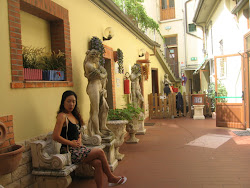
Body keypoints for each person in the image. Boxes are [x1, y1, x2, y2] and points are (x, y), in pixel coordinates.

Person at [52, 90, 127, 188]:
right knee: (100, 152)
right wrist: (71, 143)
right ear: (63, 102)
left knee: (98, 163)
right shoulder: (62, 116)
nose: (71, 104)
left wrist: (79, 140)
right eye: (68, 101)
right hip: (69, 152)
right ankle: (111, 177)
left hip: (78, 149)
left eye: (74, 101)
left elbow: (78, 131)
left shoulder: (74, 115)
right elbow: (55, 136)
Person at [83, 49, 110, 137]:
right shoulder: (89, 65)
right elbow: (101, 75)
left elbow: (103, 73)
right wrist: (104, 73)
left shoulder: (94, 64)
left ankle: (103, 125)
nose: (98, 59)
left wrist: (104, 72)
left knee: (105, 107)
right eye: (97, 57)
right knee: (95, 110)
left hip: (99, 87)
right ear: (93, 57)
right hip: (93, 87)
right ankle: (96, 131)